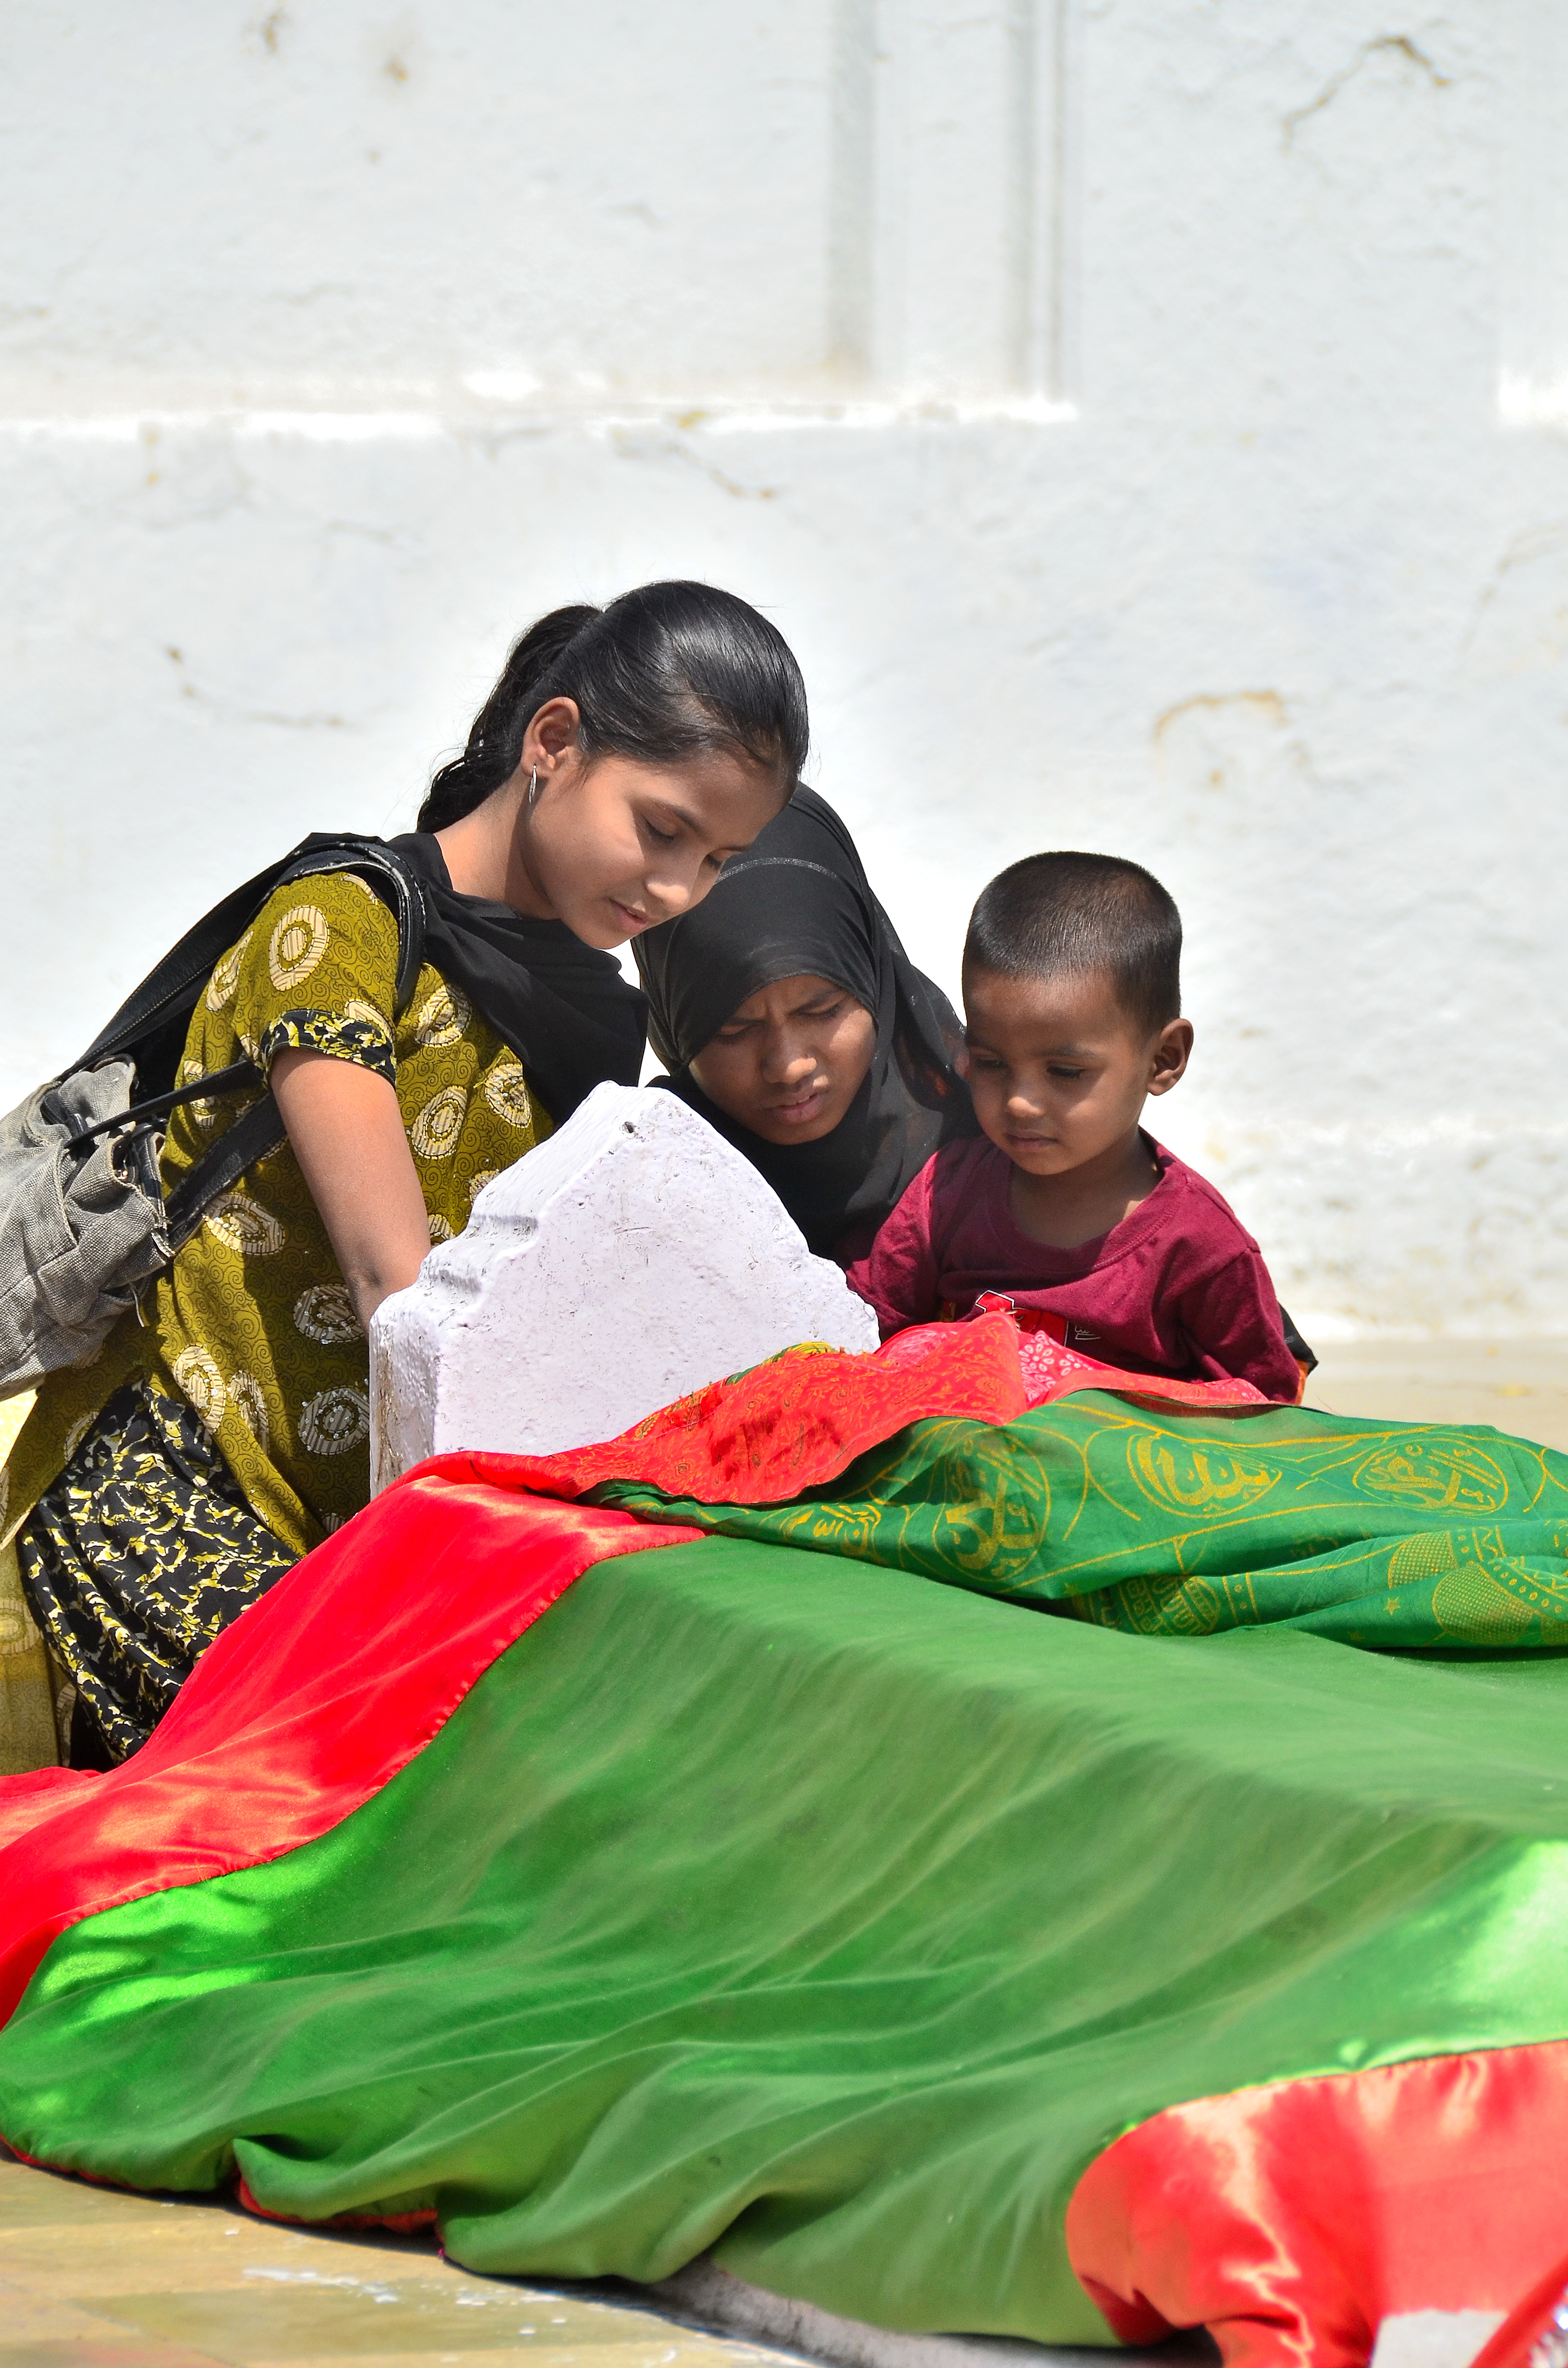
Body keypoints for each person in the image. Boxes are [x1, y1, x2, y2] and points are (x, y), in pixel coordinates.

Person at [4, 581, 808, 1767]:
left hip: (361, 1536)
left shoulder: (586, 1017)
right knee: (357, 1791)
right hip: (170, 1491)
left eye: (718, 858)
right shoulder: (341, 923)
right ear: (554, 743)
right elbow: (402, 1286)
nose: (678, 891)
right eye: (661, 829)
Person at [846, 850, 1303, 1401]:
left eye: (1065, 1071)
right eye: (991, 1063)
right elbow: (867, 1336)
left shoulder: (1197, 1246)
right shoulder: (946, 1195)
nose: (1020, 1102)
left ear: (1163, 1059)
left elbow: (1266, 1405)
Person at [634, 786, 975, 1265]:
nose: (789, 1065)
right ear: (674, 1027)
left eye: (821, 1010)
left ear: (874, 981)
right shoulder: (645, 1200)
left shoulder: (998, 1161)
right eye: (734, 1029)